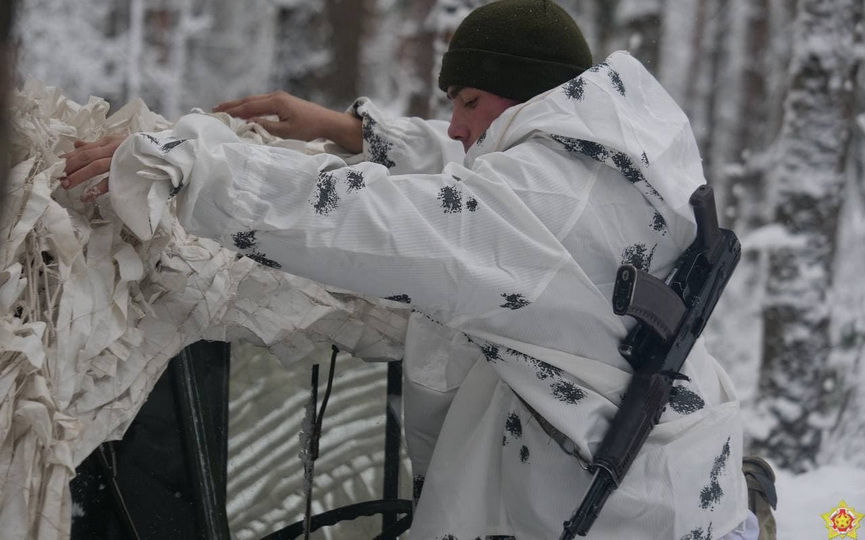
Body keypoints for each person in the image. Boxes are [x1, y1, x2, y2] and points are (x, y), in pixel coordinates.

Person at [63, 0, 760, 538]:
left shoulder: (539, 208)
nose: (454, 125)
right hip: (673, 476)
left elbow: (372, 222)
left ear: (526, 94)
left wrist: (191, 164)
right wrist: (355, 132)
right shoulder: (616, 161)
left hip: (609, 513)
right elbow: (493, 184)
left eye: (466, 102)